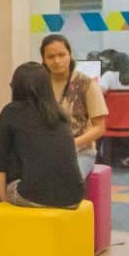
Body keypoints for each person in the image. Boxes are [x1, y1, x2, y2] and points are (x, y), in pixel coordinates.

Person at [0, 63, 87, 210]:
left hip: (33, 195)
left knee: (12, 156)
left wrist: (3, 202)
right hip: (74, 197)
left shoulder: (11, 112)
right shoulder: (60, 113)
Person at [38, 35, 108, 179]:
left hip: (80, 151)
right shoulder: (39, 85)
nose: (57, 61)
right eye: (51, 57)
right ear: (43, 59)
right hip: (45, 150)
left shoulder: (86, 84)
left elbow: (99, 128)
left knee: (64, 182)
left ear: (70, 55)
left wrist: (71, 144)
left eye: (62, 55)